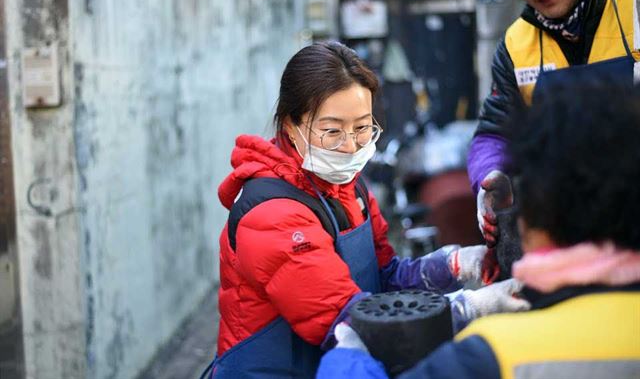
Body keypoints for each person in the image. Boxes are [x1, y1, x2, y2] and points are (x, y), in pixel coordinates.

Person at [203, 42, 527, 378]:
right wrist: (473, 306)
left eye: (362, 127)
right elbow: (353, 323)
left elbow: (383, 277)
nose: (350, 145)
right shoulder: (272, 215)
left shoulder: (349, 189)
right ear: (290, 125)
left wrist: (459, 264)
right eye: (332, 131)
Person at [317, 82, 640, 379]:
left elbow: (385, 274)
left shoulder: (490, 355)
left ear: (537, 217)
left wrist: (345, 362)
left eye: (361, 128)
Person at [469, 0, 638, 248]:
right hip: (568, 236)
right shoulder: (516, 45)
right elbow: (494, 132)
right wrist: (492, 174)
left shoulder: (634, 8)